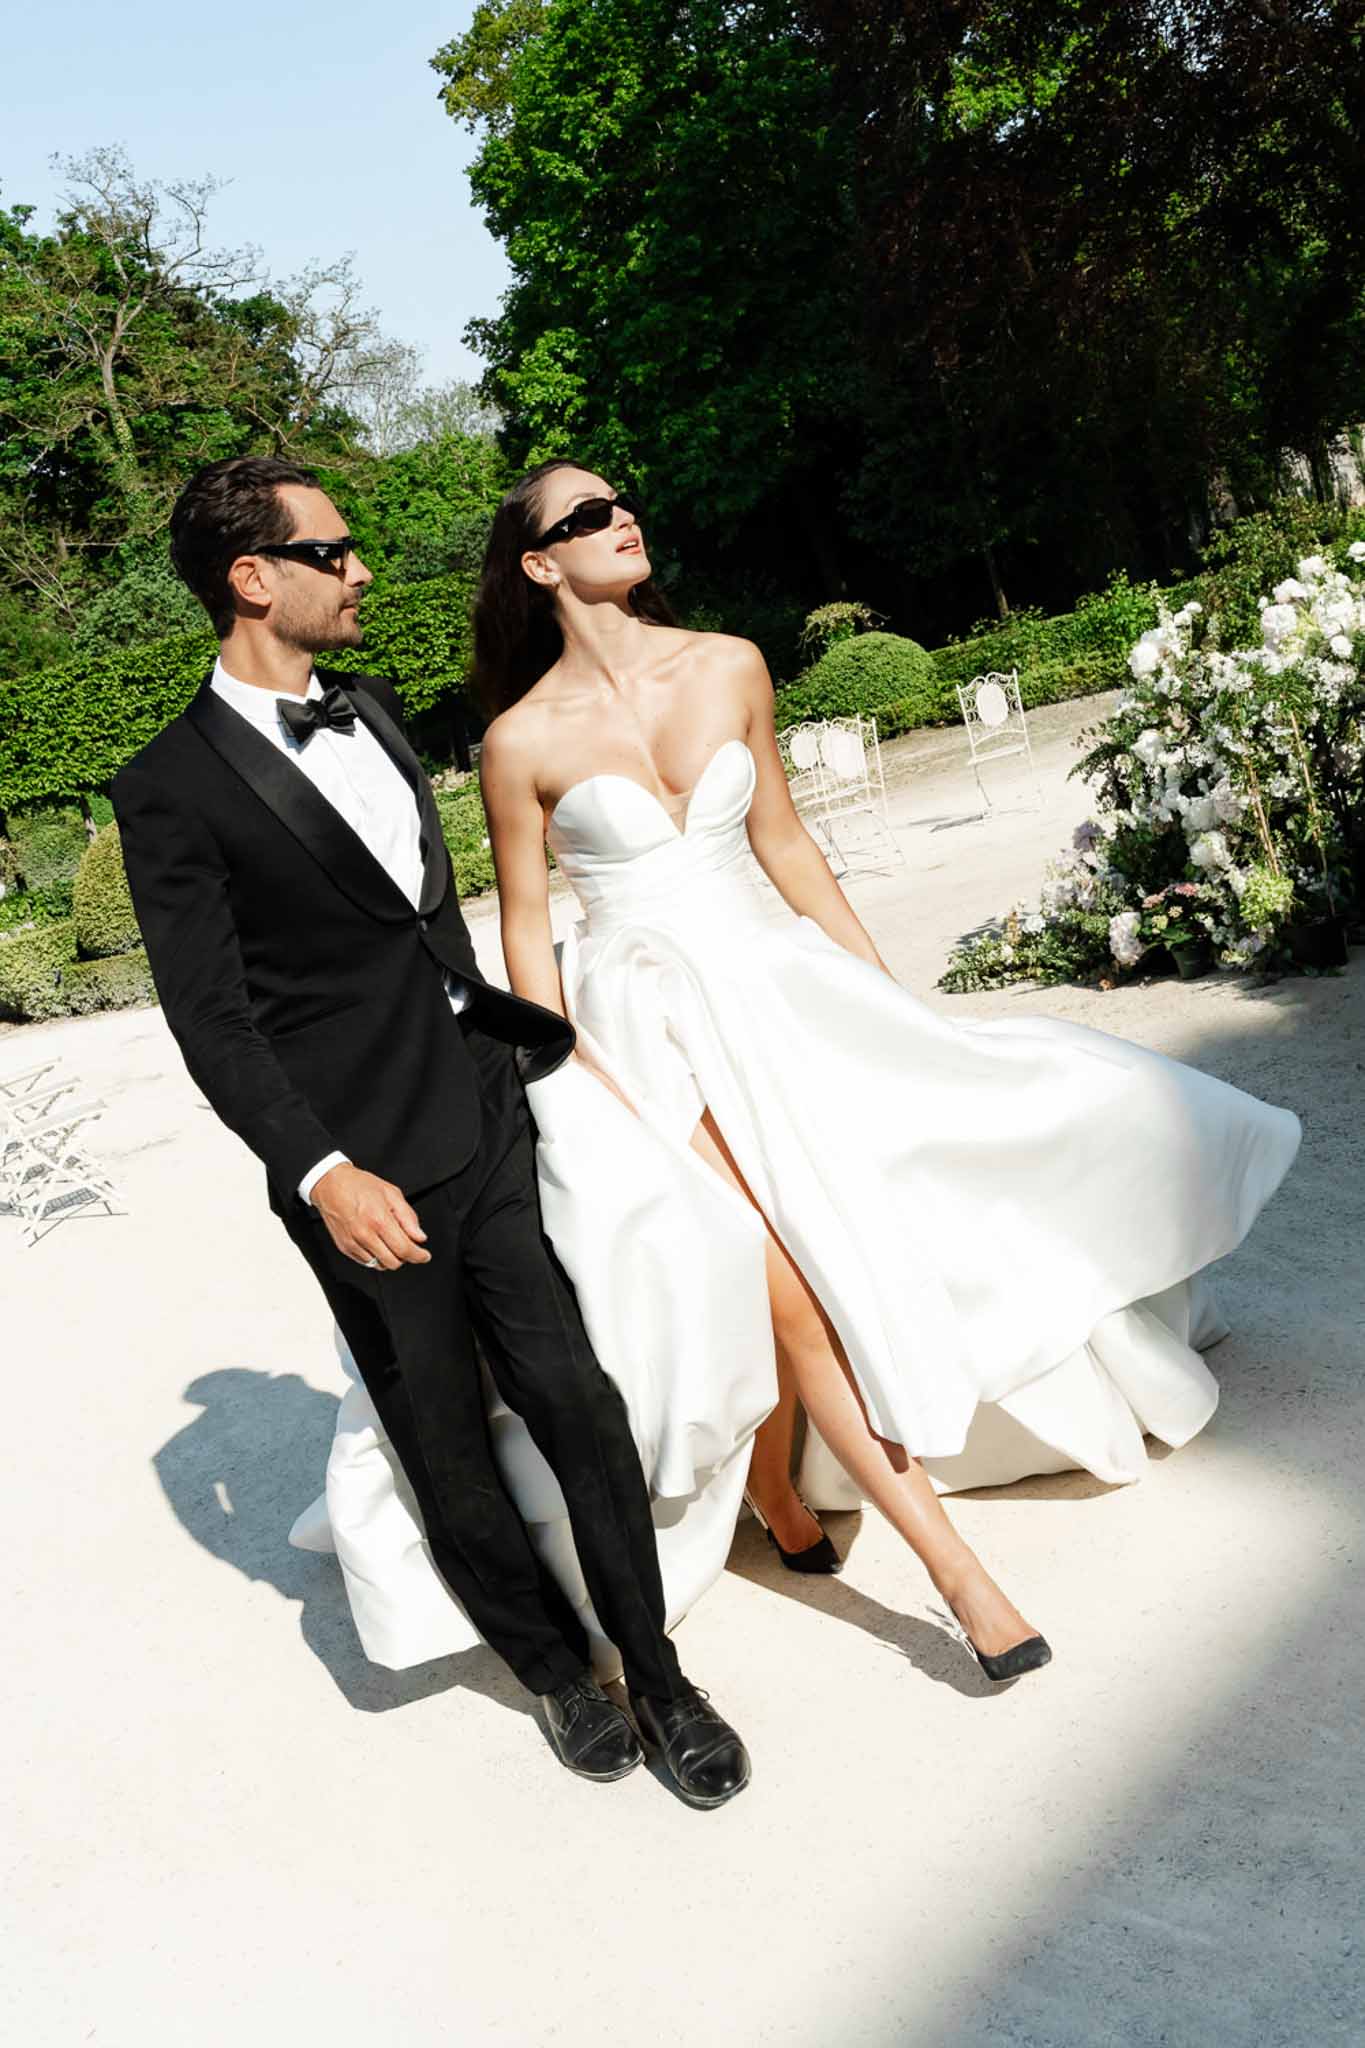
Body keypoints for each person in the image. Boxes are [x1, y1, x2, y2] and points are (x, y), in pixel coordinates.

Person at [469, 458, 1302, 1681]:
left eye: (623, 499)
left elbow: (788, 846)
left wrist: (885, 998)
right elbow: (528, 926)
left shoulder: (729, 663)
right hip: (636, 1033)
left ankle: (783, 1494)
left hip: (775, 990)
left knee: (891, 1199)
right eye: (586, 517)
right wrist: (562, 1084)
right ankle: (961, 1578)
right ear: (542, 564)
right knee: (790, 1281)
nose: (622, 519)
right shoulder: (518, 736)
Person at [112, 456, 752, 1810]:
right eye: (333, 552)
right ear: (252, 578)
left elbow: (423, 929)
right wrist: (321, 1172)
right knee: (444, 1439)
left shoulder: (379, 712)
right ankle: (554, 1675)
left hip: (483, 1117)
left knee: (577, 1398)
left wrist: (516, 1053)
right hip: (359, 1174)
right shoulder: (165, 785)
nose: (360, 572)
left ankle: (660, 1673)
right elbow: (211, 1021)